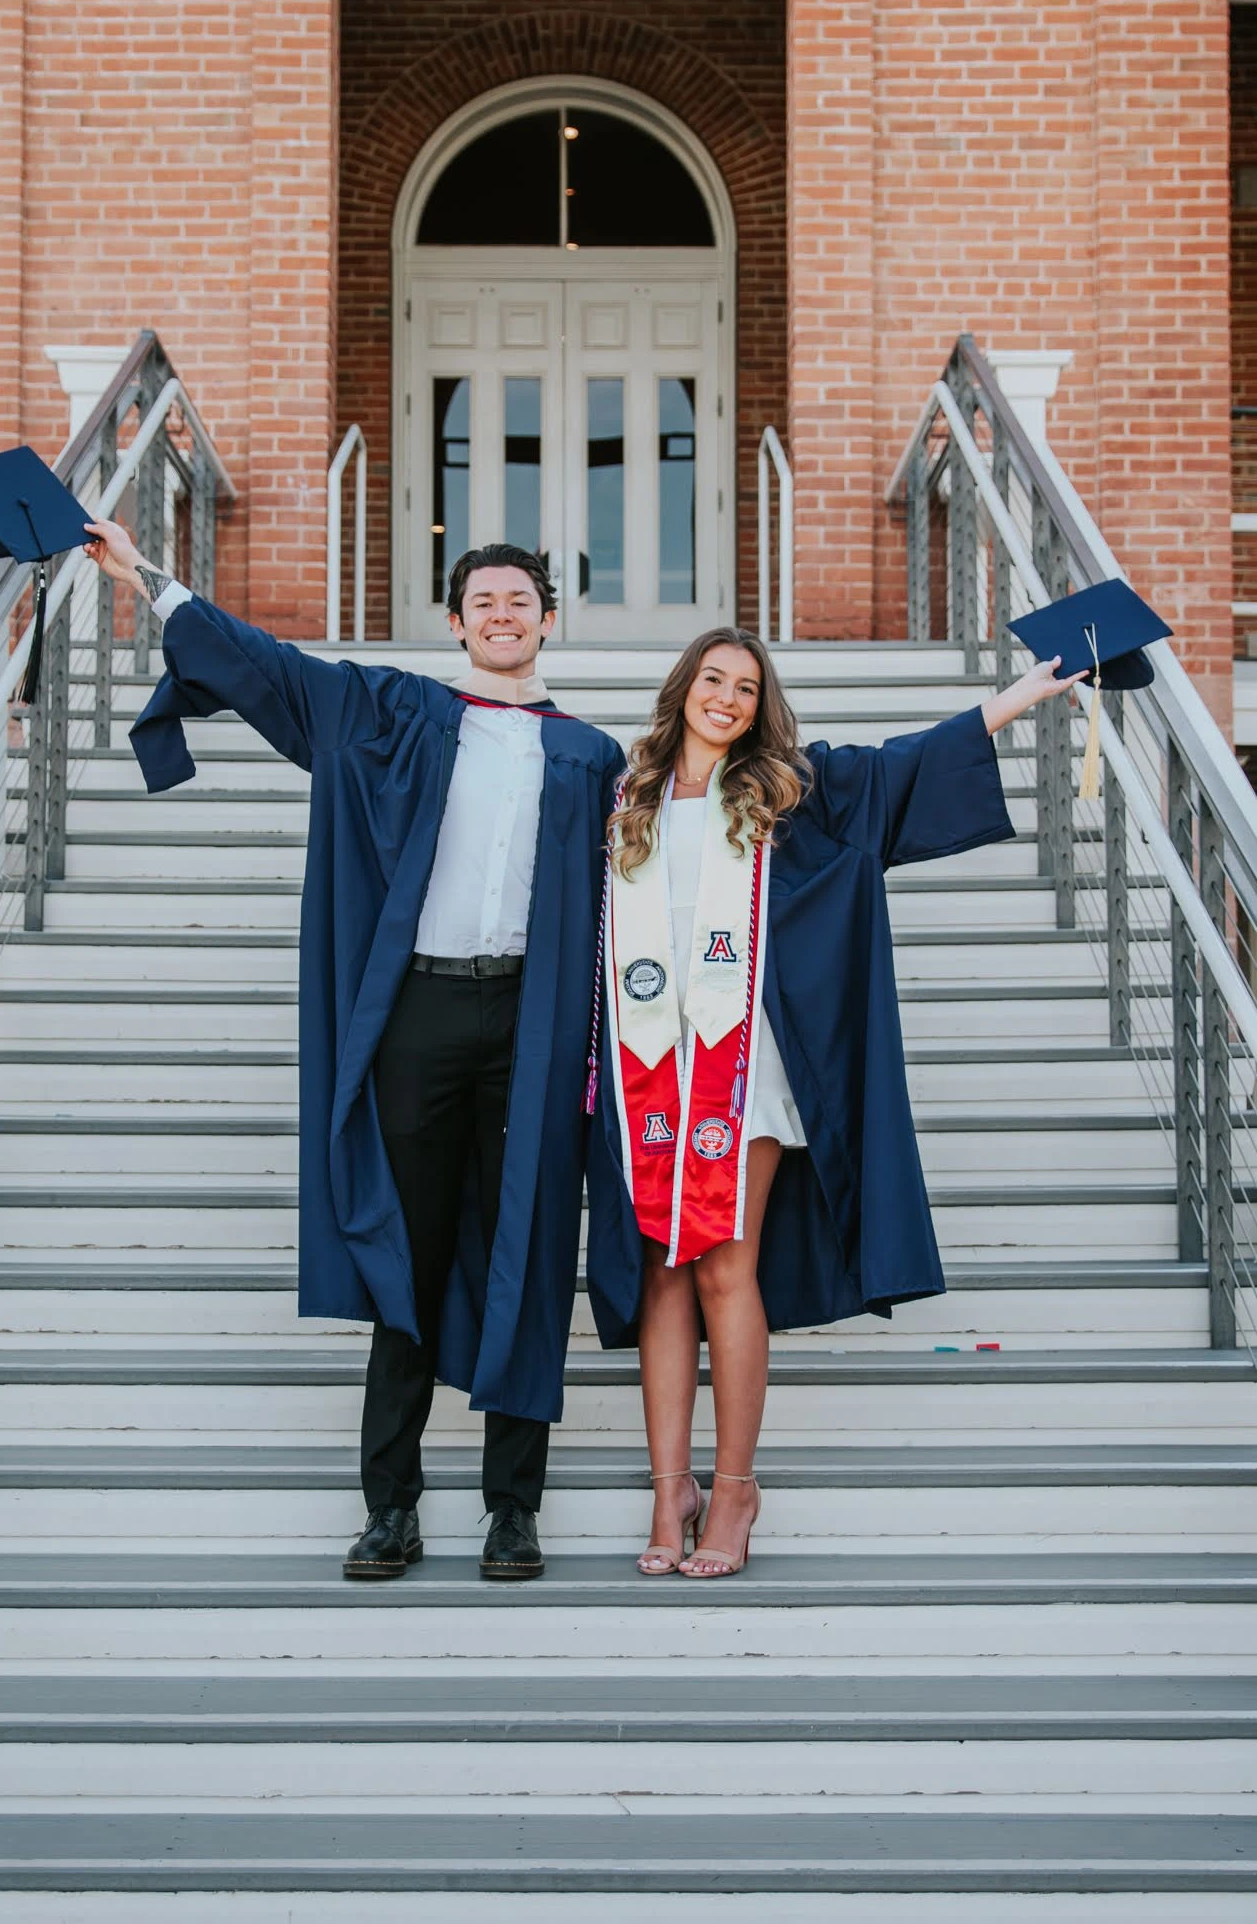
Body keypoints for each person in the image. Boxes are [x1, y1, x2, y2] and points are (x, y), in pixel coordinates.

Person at [81, 525, 624, 1583]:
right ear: (455, 622)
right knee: (406, 1255)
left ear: (548, 620)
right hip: (422, 1010)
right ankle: (391, 1506)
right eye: (483, 601)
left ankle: (513, 1509)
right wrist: (145, 575)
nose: (502, 614)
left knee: (528, 1248)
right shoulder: (396, 711)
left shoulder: (590, 755)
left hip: (536, 1020)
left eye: (520, 600)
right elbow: (270, 667)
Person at [582, 628, 1081, 1579]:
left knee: (725, 1267)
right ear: (682, 687)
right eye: (712, 679)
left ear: (758, 707)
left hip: (742, 1067)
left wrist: (1020, 695)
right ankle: (668, 1488)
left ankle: (734, 1490)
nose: (726, 698)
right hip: (646, 1066)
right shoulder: (619, 799)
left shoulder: (788, 794)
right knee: (660, 1274)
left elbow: (903, 767)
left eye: (745, 688)